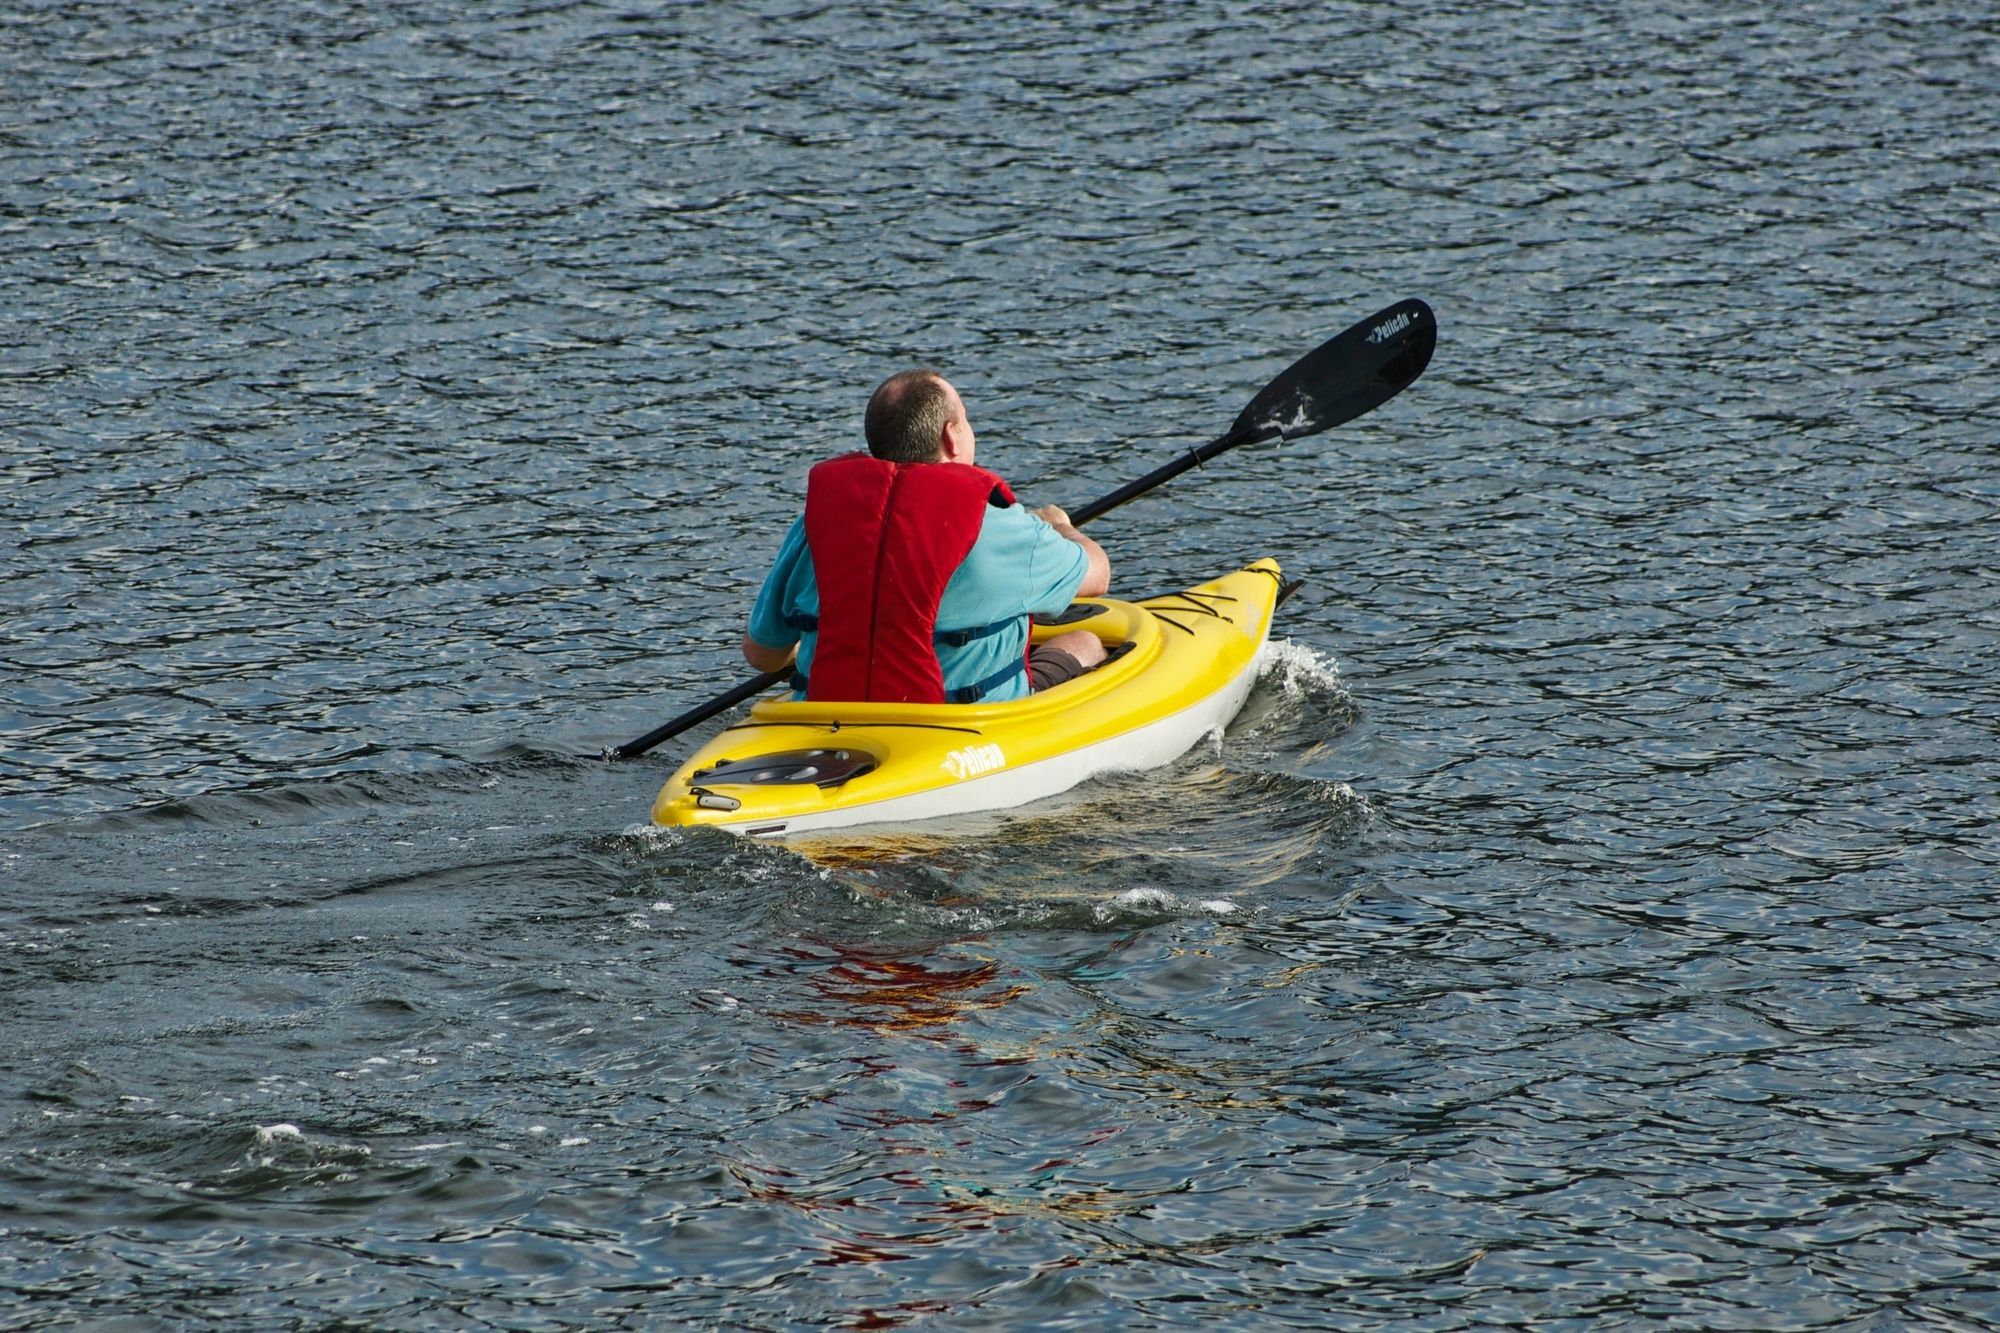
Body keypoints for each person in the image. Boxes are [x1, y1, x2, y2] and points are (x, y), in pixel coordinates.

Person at [742, 369, 1109, 704]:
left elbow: (763, 655)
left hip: (831, 718)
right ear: (952, 436)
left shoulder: (815, 525)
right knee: (1086, 643)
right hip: (952, 726)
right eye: (966, 422)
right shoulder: (1000, 525)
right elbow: (1098, 576)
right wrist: (1061, 528)